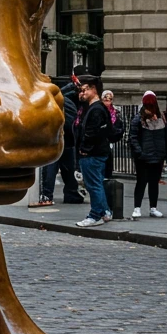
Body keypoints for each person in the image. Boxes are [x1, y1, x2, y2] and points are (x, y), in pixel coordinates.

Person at [32, 78, 82, 207]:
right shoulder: (68, 102)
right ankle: (71, 193)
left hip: (55, 139)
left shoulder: (51, 101)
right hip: (68, 140)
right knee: (68, 169)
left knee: (51, 168)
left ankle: (47, 195)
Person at [74, 76, 111, 227]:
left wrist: (84, 150)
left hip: (92, 154)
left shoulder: (95, 109)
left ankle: (95, 215)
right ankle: (104, 211)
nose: (81, 93)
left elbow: (92, 133)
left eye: (84, 90)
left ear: (93, 89)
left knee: (93, 185)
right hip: (97, 152)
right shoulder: (97, 108)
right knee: (97, 183)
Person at [128, 90, 167, 219]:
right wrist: (140, 152)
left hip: (157, 155)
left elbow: (166, 136)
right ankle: (137, 207)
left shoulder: (161, 118)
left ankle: (153, 207)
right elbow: (133, 137)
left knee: (154, 182)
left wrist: (164, 152)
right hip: (144, 156)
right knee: (141, 181)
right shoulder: (138, 119)